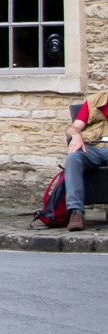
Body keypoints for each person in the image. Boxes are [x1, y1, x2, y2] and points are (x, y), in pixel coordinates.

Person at [63, 88, 108, 231]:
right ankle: (76, 212)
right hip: (91, 147)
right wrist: (76, 135)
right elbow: (73, 127)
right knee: (74, 158)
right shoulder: (94, 101)